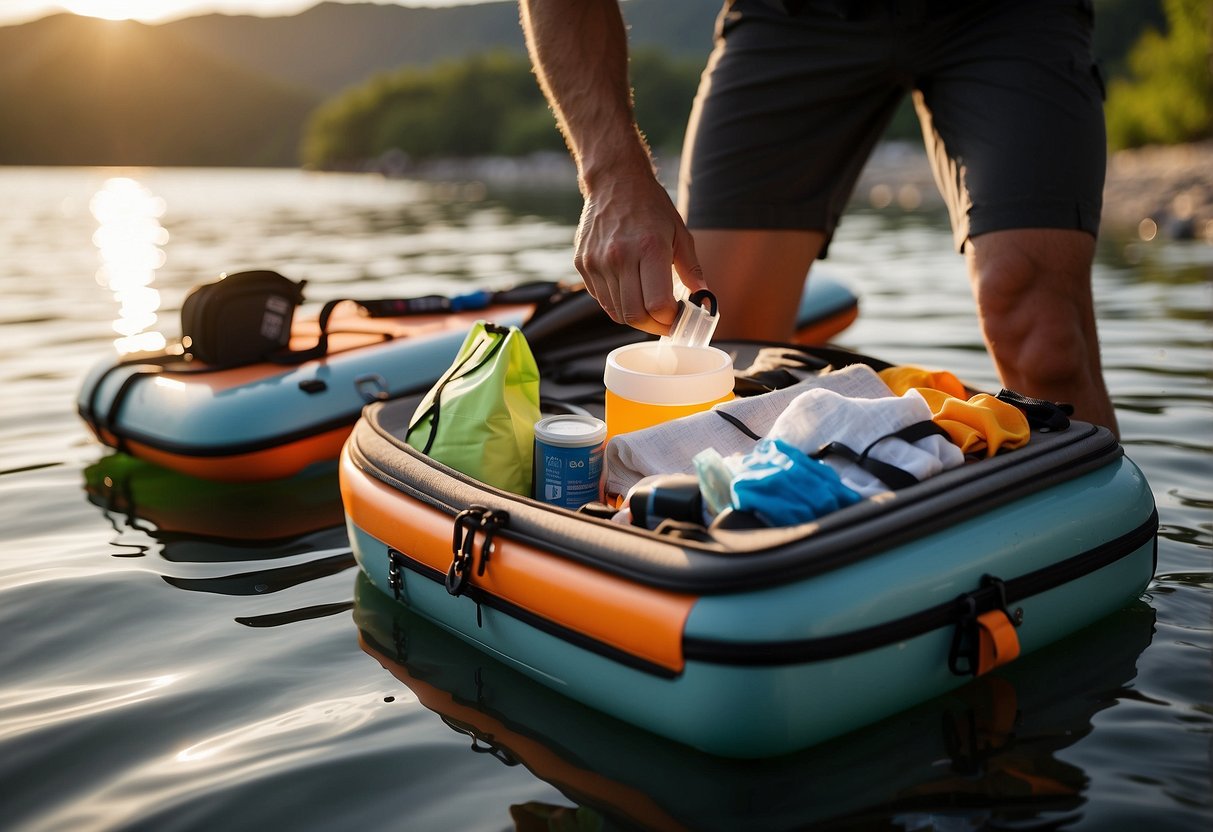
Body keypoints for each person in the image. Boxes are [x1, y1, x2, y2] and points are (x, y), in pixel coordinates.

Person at [518, 0, 1120, 435]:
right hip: (792, 15)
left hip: (1006, 14)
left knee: (1043, 337)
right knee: (716, 349)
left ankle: (1099, 551)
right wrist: (612, 174)